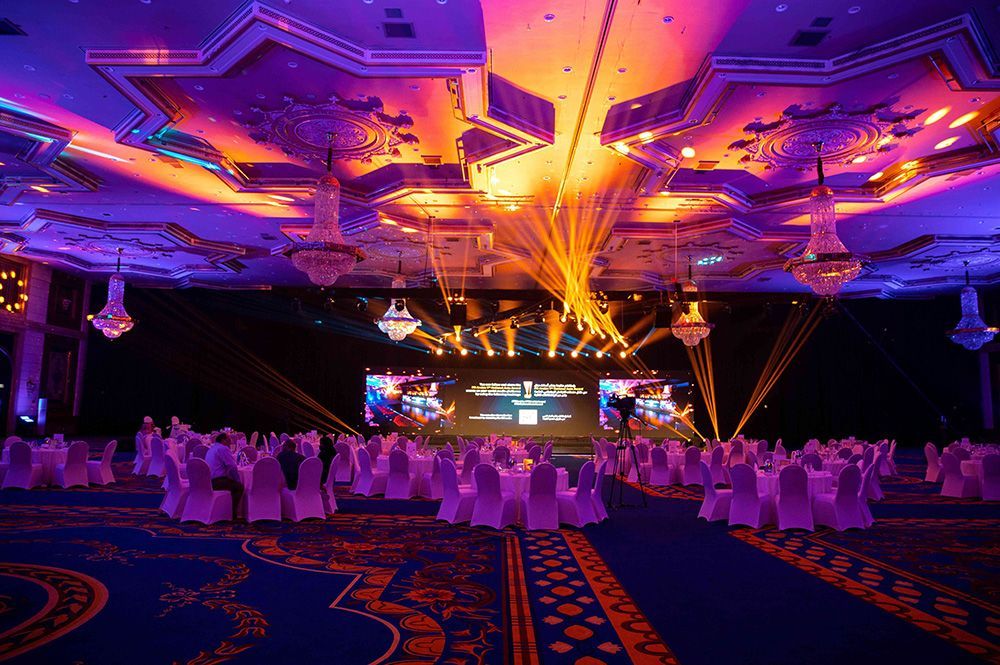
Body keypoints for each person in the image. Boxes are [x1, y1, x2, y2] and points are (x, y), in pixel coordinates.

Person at [206, 432, 243, 517]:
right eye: (229, 439)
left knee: (233, 483)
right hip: (217, 481)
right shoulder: (223, 449)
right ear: (223, 440)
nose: (231, 441)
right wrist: (238, 480)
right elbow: (232, 466)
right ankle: (232, 513)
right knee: (239, 487)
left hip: (209, 481)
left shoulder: (211, 448)